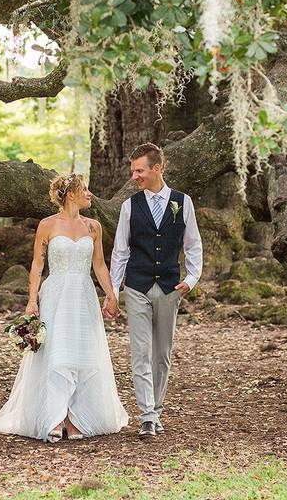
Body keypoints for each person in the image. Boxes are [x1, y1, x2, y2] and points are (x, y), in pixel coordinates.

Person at [0, 174, 129, 442]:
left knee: (83, 354)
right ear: (70, 194)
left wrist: (111, 296)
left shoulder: (93, 227)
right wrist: (32, 300)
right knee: (57, 354)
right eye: (84, 189)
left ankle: (77, 418)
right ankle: (55, 416)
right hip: (56, 295)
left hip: (83, 295)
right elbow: (37, 265)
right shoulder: (47, 225)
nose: (89, 193)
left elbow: (99, 265)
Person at [109, 142, 203, 440]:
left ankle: (157, 410)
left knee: (162, 354)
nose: (135, 176)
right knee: (140, 353)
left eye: (140, 170)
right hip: (136, 287)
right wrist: (113, 290)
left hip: (169, 288)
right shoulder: (129, 206)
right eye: (133, 170)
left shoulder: (182, 202)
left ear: (156, 168)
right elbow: (120, 251)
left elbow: (193, 245)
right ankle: (147, 416)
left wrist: (192, 278)